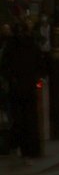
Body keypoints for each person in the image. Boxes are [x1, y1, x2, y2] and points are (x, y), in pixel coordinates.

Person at [0, 21, 45, 160]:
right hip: (30, 86)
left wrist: (11, 79)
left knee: (17, 118)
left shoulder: (11, 46)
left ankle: (17, 145)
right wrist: (37, 78)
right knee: (30, 118)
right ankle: (31, 149)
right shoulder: (32, 45)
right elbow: (41, 64)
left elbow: (4, 66)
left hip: (16, 86)